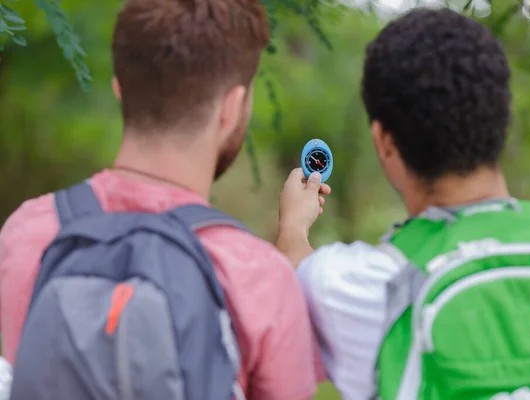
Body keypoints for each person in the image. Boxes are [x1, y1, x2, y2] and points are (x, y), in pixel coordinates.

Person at [0, 0, 322, 399]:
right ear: (232, 107)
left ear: (119, 88)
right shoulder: (256, 276)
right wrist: (292, 234)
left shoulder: (28, 232)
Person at [276, 8, 530, 400]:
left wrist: (294, 224)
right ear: (502, 116)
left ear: (385, 142)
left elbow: (291, 275)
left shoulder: (366, 286)